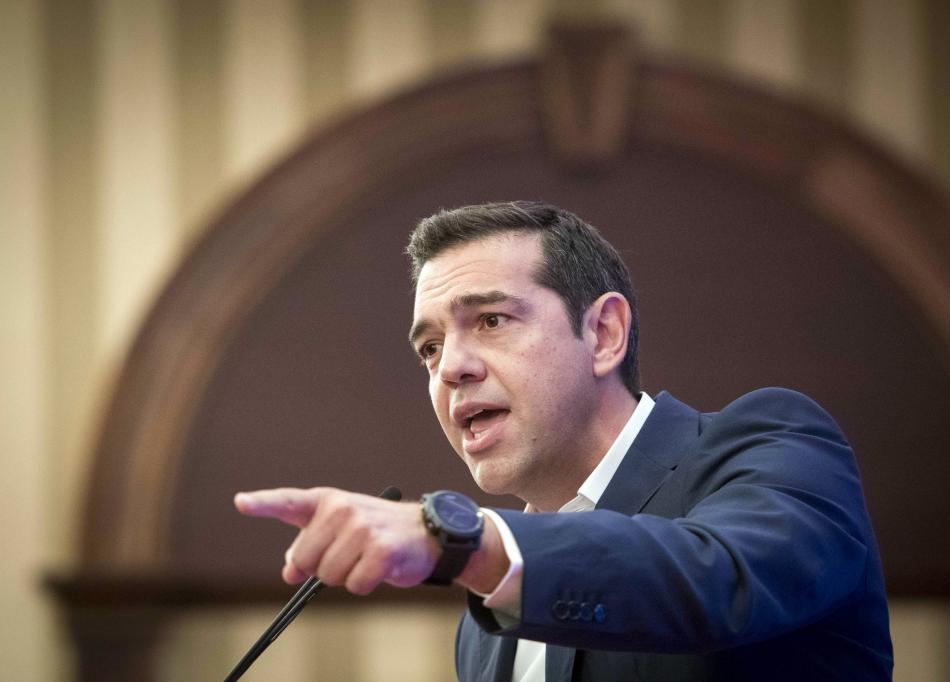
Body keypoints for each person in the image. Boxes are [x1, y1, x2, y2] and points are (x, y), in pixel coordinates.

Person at [234, 201, 894, 681]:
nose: (450, 367)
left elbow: (720, 580)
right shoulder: (484, 624)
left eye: (490, 320)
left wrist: (462, 541)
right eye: (429, 347)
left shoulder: (772, 443)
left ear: (603, 334)